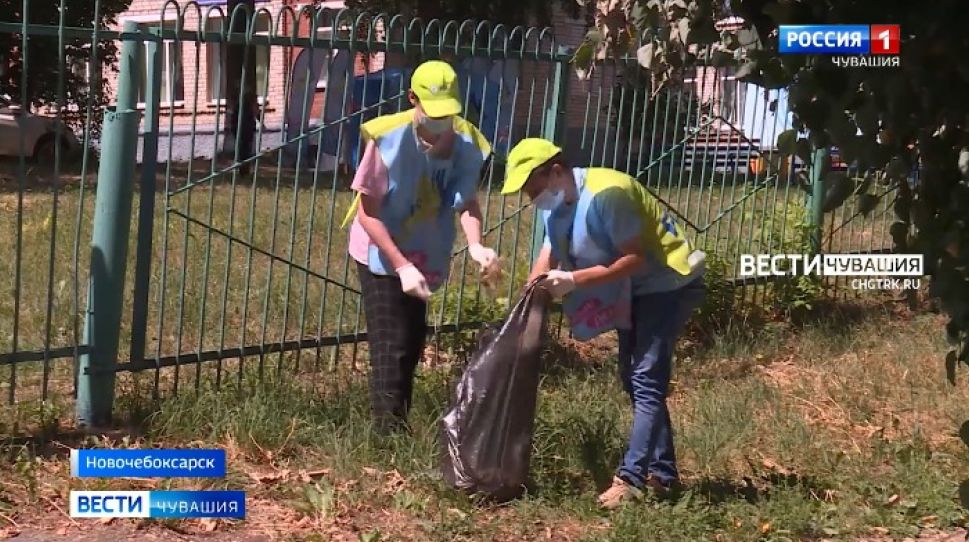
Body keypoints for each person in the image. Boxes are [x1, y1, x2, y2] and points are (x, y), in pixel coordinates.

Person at [501, 137, 707, 509]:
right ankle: (664, 474)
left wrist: (575, 281)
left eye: (533, 189)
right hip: (636, 289)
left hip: (667, 281)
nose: (532, 200)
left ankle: (631, 479)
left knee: (646, 378)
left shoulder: (608, 195)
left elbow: (637, 260)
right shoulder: (557, 201)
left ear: (557, 172)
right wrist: (531, 293)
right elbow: (547, 253)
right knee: (632, 379)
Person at [343, 60, 501, 434]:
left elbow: (466, 202)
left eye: (449, 112)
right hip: (379, 251)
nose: (442, 121)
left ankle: (399, 425)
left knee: (411, 343)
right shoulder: (388, 139)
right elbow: (368, 215)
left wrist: (477, 245)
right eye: (433, 112)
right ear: (412, 98)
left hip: (425, 251)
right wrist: (401, 266)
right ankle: (387, 440)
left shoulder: (465, 142)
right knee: (390, 347)